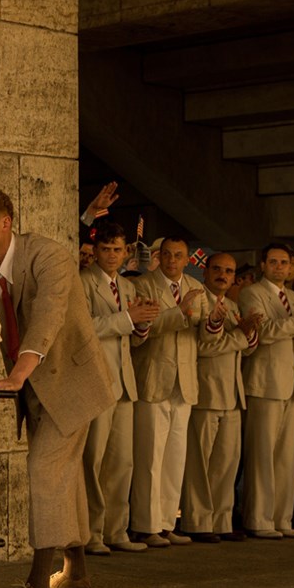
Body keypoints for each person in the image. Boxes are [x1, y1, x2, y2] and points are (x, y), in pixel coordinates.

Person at [0, 187, 114, 588]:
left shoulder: (49, 256)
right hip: (31, 387)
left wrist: (17, 373)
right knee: (65, 476)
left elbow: (49, 315)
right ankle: (76, 574)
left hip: (73, 381)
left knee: (45, 471)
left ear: (6, 222)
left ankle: (38, 586)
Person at [78, 221, 157, 554]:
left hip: (125, 381)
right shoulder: (82, 282)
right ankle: (91, 533)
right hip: (96, 379)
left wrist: (142, 324)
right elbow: (82, 328)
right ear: (95, 251)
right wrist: (128, 319)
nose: (111, 255)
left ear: (127, 253)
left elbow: (131, 337)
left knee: (123, 461)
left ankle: (116, 529)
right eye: (106, 249)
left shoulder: (126, 285)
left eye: (117, 250)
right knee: (93, 461)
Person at [129, 236, 205, 547]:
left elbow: (200, 329)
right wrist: (180, 312)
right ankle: (145, 524)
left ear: (187, 259)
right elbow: (146, 327)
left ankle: (166, 522)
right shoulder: (143, 285)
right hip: (153, 377)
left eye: (178, 255)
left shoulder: (195, 286)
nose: (172, 260)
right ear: (159, 257)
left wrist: (211, 320)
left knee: (175, 457)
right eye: (167, 255)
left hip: (184, 380)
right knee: (150, 456)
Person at [180, 253, 260, 542]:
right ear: (205, 271)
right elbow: (202, 347)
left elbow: (247, 348)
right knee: (200, 463)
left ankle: (220, 521)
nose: (222, 275)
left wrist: (248, 334)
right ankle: (197, 522)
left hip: (232, 393)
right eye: (217, 269)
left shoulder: (234, 305)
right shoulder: (198, 300)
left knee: (227, 463)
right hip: (206, 390)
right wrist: (240, 336)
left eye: (228, 271)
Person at [238, 244, 294, 539]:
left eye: (284, 263)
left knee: (287, 456)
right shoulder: (252, 293)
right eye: (274, 262)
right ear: (263, 265)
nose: (280, 267)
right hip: (264, 382)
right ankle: (259, 518)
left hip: (292, 382)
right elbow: (264, 332)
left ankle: (282, 518)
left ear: (291, 268)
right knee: (262, 454)